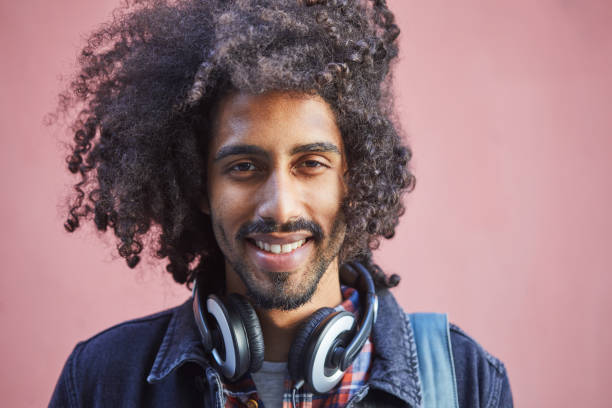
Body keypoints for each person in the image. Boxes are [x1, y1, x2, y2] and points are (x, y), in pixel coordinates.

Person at [50, 0, 513, 406]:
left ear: (351, 181)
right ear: (198, 186)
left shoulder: (467, 383)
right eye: (244, 167)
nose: (279, 206)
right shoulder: (102, 380)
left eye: (311, 164)